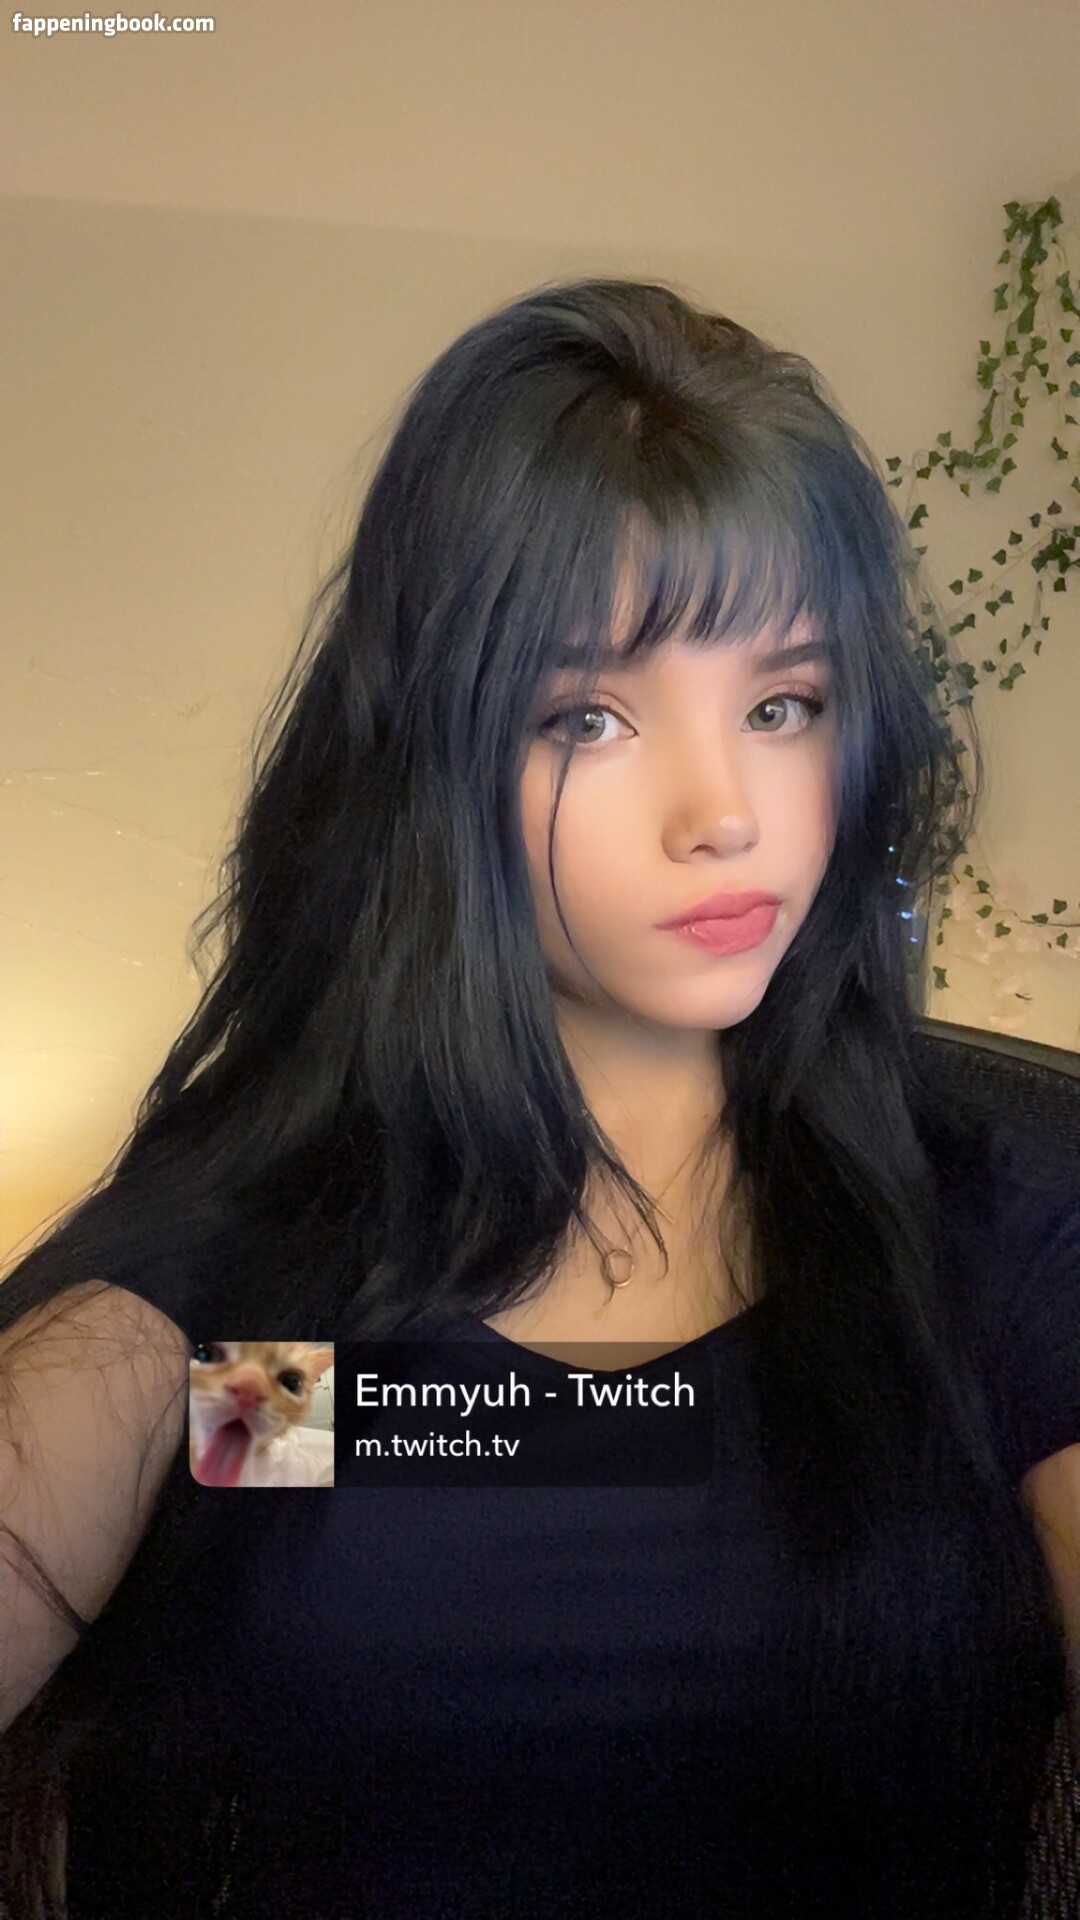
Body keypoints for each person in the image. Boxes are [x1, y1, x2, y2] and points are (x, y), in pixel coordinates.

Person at [1, 276, 1078, 1919]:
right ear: (437, 761)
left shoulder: (998, 1241)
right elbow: (360, 1427)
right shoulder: (267, 1355)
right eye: (591, 716)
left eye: (782, 705)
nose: (724, 813)